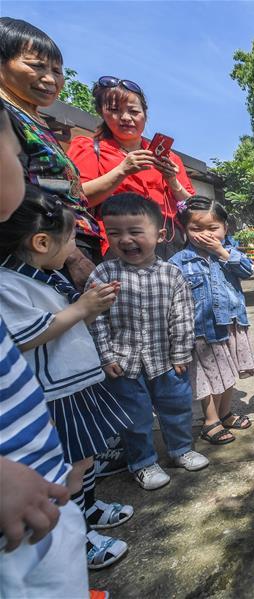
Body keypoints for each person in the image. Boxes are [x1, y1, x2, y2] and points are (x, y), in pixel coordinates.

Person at [0, 185, 135, 570]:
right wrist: (80, 310)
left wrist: (89, 310)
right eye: (72, 238)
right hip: (56, 394)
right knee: (72, 466)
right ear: (42, 242)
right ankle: (76, 538)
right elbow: (27, 336)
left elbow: (62, 326)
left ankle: (88, 509)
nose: (75, 246)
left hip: (77, 384)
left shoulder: (44, 275)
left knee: (86, 459)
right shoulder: (8, 284)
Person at [0, 100, 91, 599]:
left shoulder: (42, 274)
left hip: (38, 480)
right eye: (16, 153)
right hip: (15, 519)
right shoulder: (11, 284)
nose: (24, 163)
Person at [87, 193, 208, 490]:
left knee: (178, 408)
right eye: (114, 233)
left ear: (160, 234)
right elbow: (95, 318)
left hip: (167, 360)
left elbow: (182, 316)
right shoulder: (103, 273)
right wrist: (106, 356)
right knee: (134, 417)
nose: (125, 240)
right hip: (123, 362)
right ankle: (142, 462)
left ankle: (181, 449)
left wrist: (181, 354)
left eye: (135, 232)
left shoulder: (172, 274)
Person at [0, 17, 101, 289]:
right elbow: (24, 194)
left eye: (57, 71)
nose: (51, 79)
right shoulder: (5, 117)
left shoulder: (32, 118)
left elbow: (46, 182)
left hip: (66, 244)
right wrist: (71, 256)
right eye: (36, 66)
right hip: (45, 252)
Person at [67, 76, 195, 259]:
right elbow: (75, 197)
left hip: (170, 242)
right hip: (121, 245)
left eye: (134, 111)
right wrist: (122, 170)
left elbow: (194, 209)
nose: (126, 118)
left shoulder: (170, 157)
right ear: (101, 112)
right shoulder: (89, 147)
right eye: (114, 110)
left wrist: (173, 182)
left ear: (145, 114)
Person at [169, 195, 254, 446]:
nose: (205, 234)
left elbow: (248, 270)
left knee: (229, 372)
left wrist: (222, 251)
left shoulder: (229, 253)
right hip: (202, 330)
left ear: (225, 228)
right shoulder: (178, 263)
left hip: (231, 323)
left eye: (213, 228)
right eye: (196, 229)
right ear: (184, 230)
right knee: (208, 376)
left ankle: (225, 413)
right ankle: (210, 421)